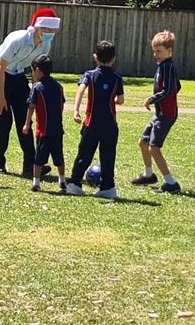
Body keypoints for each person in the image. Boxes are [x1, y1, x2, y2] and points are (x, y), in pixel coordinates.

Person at [0, 8, 60, 177]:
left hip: (19, 76)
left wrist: (36, 93)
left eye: (52, 30)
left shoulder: (46, 44)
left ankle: (31, 165)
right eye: (46, 29)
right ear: (36, 27)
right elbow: (0, 67)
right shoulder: (18, 39)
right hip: (0, 75)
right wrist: (1, 96)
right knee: (3, 120)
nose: (49, 33)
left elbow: (37, 71)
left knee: (25, 121)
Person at [131, 30, 183, 193]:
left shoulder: (168, 67)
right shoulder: (163, 66)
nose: (156, 54)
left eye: (159, 51)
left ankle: (171, 183)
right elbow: (177, 86)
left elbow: (169, 90)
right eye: (154, 51)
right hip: (160, 113)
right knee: (143, 142)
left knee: (153, 148)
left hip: (166, 115)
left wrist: (152, 99)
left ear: (169, 51)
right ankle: (148, 175)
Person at [74, 40, 125, 200]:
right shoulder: (117, 78)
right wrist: (112, 100)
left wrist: (76, 110)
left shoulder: (89, 75)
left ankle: (74, 184)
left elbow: (81, 90)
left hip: (92, 123)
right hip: (110, 124)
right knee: (108, 157)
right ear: (114, 58)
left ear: (95, 57)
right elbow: (120, 100)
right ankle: (107, 188)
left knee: (84, 154)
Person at [28, 57, 68, 193]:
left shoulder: (37, 87)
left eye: (33, 70)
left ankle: (36, 183)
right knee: (59, 157)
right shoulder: (58, 86)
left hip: (43, 130)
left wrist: (27, 124)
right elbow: (62, 104)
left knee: (38, 159)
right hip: (57, 129)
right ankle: (62, 181)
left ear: (38, 71)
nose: (32, 73)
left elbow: (31, 106)